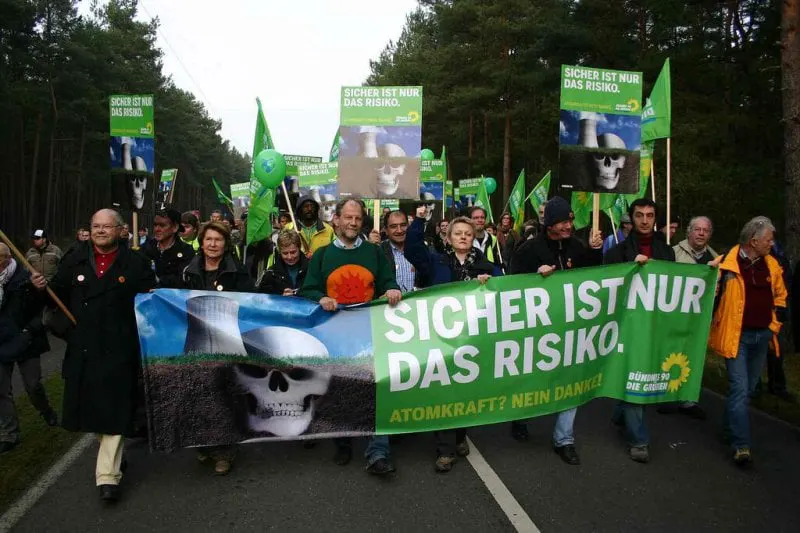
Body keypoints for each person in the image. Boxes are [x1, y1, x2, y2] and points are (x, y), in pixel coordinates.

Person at [31, 209, 156, 503]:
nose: (100, 231)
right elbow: (56, 295)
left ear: (121, 230)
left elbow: (150, 302)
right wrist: (40, 289)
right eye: (96, 226)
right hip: (84, 347)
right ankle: (115, 456)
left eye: (106, 226)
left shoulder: (136, 263)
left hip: (120, 348)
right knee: (92, 410)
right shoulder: (73, 259)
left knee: (115, 408)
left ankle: (107, 477)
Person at [299, 198, 401, 473]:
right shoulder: (322, 256)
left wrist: (392, 289)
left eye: (358, 218)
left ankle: (378, 452)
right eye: (348, 217)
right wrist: (320, 297)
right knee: (341, 389)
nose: (353, 223)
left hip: (370, 332)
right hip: (335, 335)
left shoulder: (374, 252)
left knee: (375, 390)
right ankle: (343, 442)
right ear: (336, 220)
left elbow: (387, 280)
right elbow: (307, 290)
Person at [509, 197, 602, 465]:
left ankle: (564, 439)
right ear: (549, 223)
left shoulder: (577, 247)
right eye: (562, 222)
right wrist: (534, 277)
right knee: (532, 377)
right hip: (538, 328)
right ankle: (520, 417)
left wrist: (595, 252)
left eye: (570, 221)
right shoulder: (528, 250)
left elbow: (593, 277)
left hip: (571, 328)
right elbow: (511, 286)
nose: (568, 226)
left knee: (570, 380)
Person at [708, 217, 787, 466]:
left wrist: (773, 326)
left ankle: (728, 429)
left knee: (748, 390)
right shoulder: (726, 265)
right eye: (768, 240)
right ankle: (741, 446)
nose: (772, 244)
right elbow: (708, 295)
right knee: (740, 389)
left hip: (762, 337)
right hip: (737, 338)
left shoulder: (772, 265)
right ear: (754, 241)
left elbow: (781, 297)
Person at [604, 198, 676, 463]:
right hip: (628, 326)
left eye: (650, 215)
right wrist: (631, 270)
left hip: (654, 325)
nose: (645, 220)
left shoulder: (666, 252)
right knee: (636, 376)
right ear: (630, 218)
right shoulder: (618, 252)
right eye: (639, 215)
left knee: (643, 374)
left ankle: (620, 413)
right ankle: (639, 440)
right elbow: (607, 288)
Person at [428, 217, 500, 472]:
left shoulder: (486, 265)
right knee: (443, 390)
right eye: (457, 233)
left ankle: (460, 435)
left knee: (464, 389)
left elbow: (506, 289)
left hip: (471, 338)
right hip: (442, 336)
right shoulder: (437, 261)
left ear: (473, 237)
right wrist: (421, 220)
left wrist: (490, 283)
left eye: (467, 234)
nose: (462, 237)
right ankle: (444, 450)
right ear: (448, 238)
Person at [181, 221, 254, 475]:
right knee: (199, 394)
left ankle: (224, 451)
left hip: (227, 340)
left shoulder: (237, 271)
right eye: (209, 239)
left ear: (226, 244)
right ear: (201, 242)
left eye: (218, 240)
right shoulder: (188, 270)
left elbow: (251, 300)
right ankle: (203, 443)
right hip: (197, 339)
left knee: (224, 395)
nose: (213, 244)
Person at [659, 216, 719, 419]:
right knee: (670, 354)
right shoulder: (673, 253)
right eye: (697, 229)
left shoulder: (716, 259)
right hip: (674, 316)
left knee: (694, 356)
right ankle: (666, 395)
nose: (701, 233)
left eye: (705, 230)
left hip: (699, 319)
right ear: (689, 232)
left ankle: (688, 399)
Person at [0, 243, 58, 454]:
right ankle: (9, 433)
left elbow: (44, 307)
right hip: (2, 340)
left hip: (26, 339)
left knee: (33, 385)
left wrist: (29, 331)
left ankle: (46, 410)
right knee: (1, 391)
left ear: (6, 258)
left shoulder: (27, 278)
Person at [142, 208, 195, 288]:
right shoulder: (146, 247)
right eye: (155, 225)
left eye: (162, 225)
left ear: (175, 227)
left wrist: (158, 280)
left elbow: (182, 279)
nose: (157, 229)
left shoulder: (186, 251)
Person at [257, 230, 308, 296]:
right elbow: (263, 297)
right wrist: (280, 297)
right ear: (279, 252)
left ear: (299, 248)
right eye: (285, 253)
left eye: (293, 252)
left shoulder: (312, 268)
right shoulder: (271, 273)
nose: (289, 257)